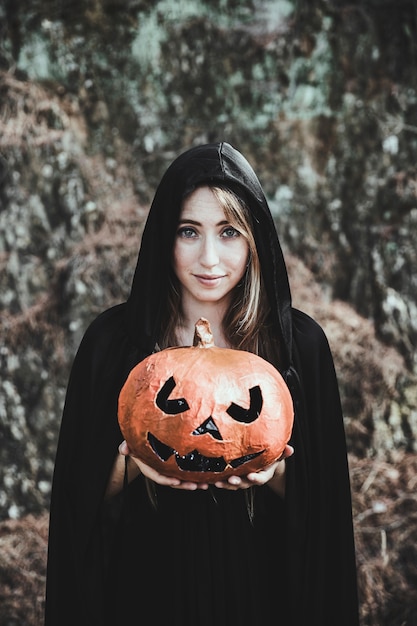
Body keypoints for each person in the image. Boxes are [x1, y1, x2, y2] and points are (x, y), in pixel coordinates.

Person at [45, 142, 359, 625]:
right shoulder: (112, 343)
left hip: (261, 588)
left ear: (255, 239)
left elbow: (326, 514)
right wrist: (135, 466)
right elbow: (75, 504)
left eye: (229, 232)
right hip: (146, 589)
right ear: (161, 238)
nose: (208, 258)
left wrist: (269, 473)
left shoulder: (299, 346)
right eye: (188, 231)